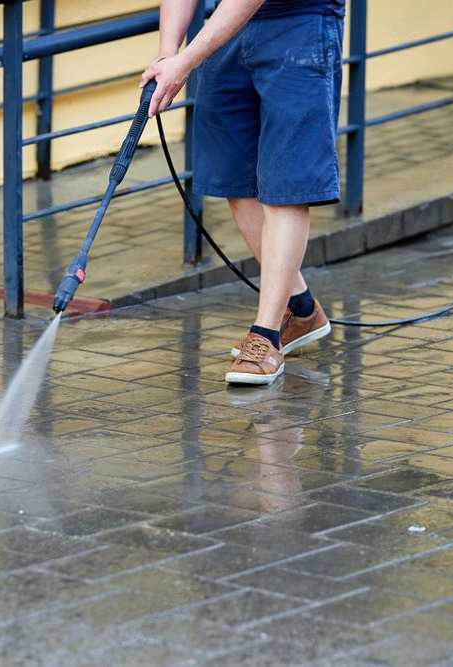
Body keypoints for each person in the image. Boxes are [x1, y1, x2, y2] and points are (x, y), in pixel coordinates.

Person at [141, 0, 344, 385]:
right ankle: (300, 308)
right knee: (236, 178)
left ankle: (266, 335)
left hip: (299, 21)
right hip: (223, 28)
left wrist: (185, 62)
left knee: (287, 186)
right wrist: (168, 49)